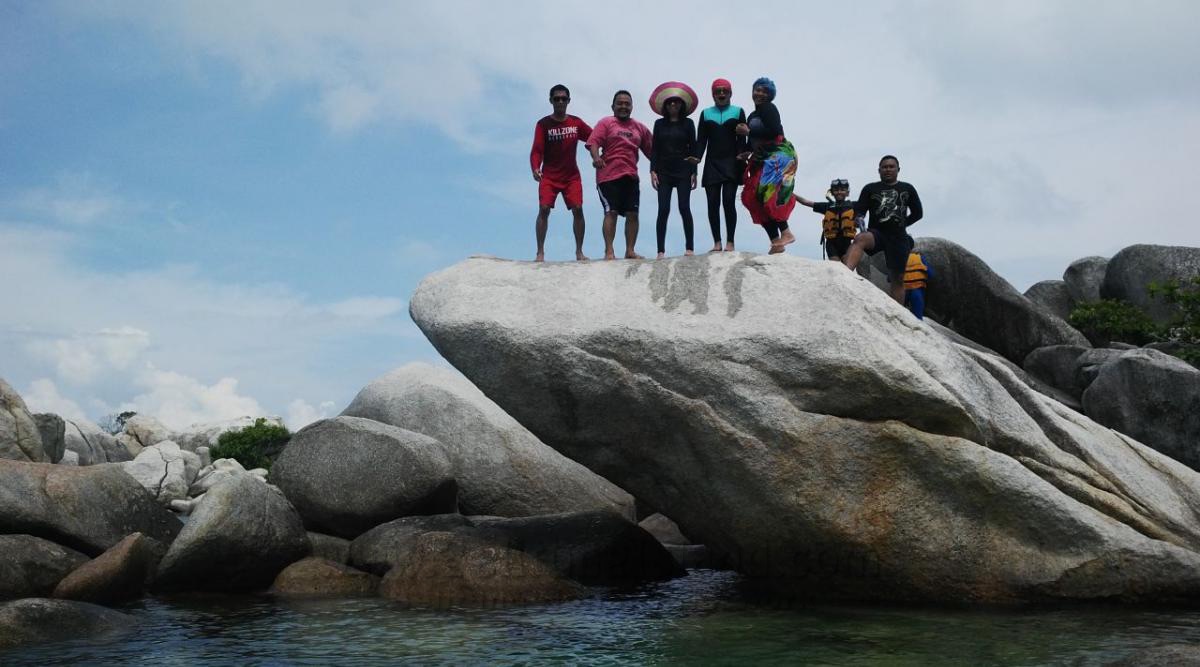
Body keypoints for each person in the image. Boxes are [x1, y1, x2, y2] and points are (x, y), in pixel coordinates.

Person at [844, 155, 924, 304]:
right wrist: (858, 218)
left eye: (891, 166)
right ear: (879, 170)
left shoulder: (907, 188)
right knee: (861, 239)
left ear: (898, 169)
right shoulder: (870, 188)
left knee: (898, 278)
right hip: (877, 233)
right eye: (884, 167)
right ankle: (844, 274)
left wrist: (902, 224)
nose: (888, 169)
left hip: (899, 236)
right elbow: (860, 210)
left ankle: (898, 311)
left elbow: (918, 213)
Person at [587, 90, 654, 260]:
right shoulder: (606, 123)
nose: (623, 106)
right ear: (613, 106)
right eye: (620, 103)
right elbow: (593, 142)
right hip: (608, 175)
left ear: (631, 107)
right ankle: (609, 251)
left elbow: (652, 151)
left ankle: (630, 250)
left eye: (627, 104)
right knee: (612, 212)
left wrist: (663, 166)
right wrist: (596, 158)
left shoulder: (639, 128)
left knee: (633, 214)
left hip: (630, 175)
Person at [530, 84, 593, 262]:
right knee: (543, 210)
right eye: (556, 98)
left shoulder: (575, 123)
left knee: (578, 209)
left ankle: (579, 252)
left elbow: (594, 137)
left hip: (571, 176)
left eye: (563, 99)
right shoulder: (543, 124)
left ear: (568, 101)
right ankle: (540, 252)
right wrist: (536, 167)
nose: (560, 102)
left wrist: (603, 152)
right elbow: (536, 150)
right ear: (551, 101)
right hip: (549, 175)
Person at [736, 77, 798, 254]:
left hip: (778, 156)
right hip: (761, 158)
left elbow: (774, 130)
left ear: (770, 96)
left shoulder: (769, 108)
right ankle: (776, 241)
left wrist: (749, 130)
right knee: (752, 198)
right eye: (757, 90)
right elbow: (753, 140)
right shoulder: (752, 115)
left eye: (765, 91)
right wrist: (746, 151)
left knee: (767, 192)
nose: (760, 94)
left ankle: (786, 232)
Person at [694, 78, 747, 252]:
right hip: (712, 163)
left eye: (725, 91)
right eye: (718, 91)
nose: (721, 94)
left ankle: (730, 241)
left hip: (732, 162)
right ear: (713, 94)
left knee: (728, 201)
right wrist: (697, 157)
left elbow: (742, 138)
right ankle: (717, 242)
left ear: (730, 93)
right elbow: (701, 140)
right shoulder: (706, 113)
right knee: (712, 203)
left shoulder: (738, 111)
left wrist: (742, 156)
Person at [648, 82, 699, 258]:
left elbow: (693, 148)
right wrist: (652, 170)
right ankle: (660, 250)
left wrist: (694, 172)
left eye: (676, 102)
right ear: (665, 106)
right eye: (669, 103)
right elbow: (655, 149)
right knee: (663, 209)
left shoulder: (689, 124)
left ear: (681, 105)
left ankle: (690, 248)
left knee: (684, 207)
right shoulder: (659, 124)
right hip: (664, 171)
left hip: (684, 170)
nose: (672, 105)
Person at [795, 179, 863, 262]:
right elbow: (805, 202)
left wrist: (858, 222)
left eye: (842, 190)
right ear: (832, 192)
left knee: (847, 268)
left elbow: (867, 206)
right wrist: (790, 193)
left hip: (847, 243)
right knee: (836, 267)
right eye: (836, 190)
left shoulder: (854, 205)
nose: (839, 192)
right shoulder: (827, 206)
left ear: (847, 192)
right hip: (831, 244)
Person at [903, 251, 934, 320]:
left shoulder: (902, 258)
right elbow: (931, 274)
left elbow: (890, 278)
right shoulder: (920, 258)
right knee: (918, 317)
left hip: (903, 290)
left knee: (900, 310)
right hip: (917, 289)